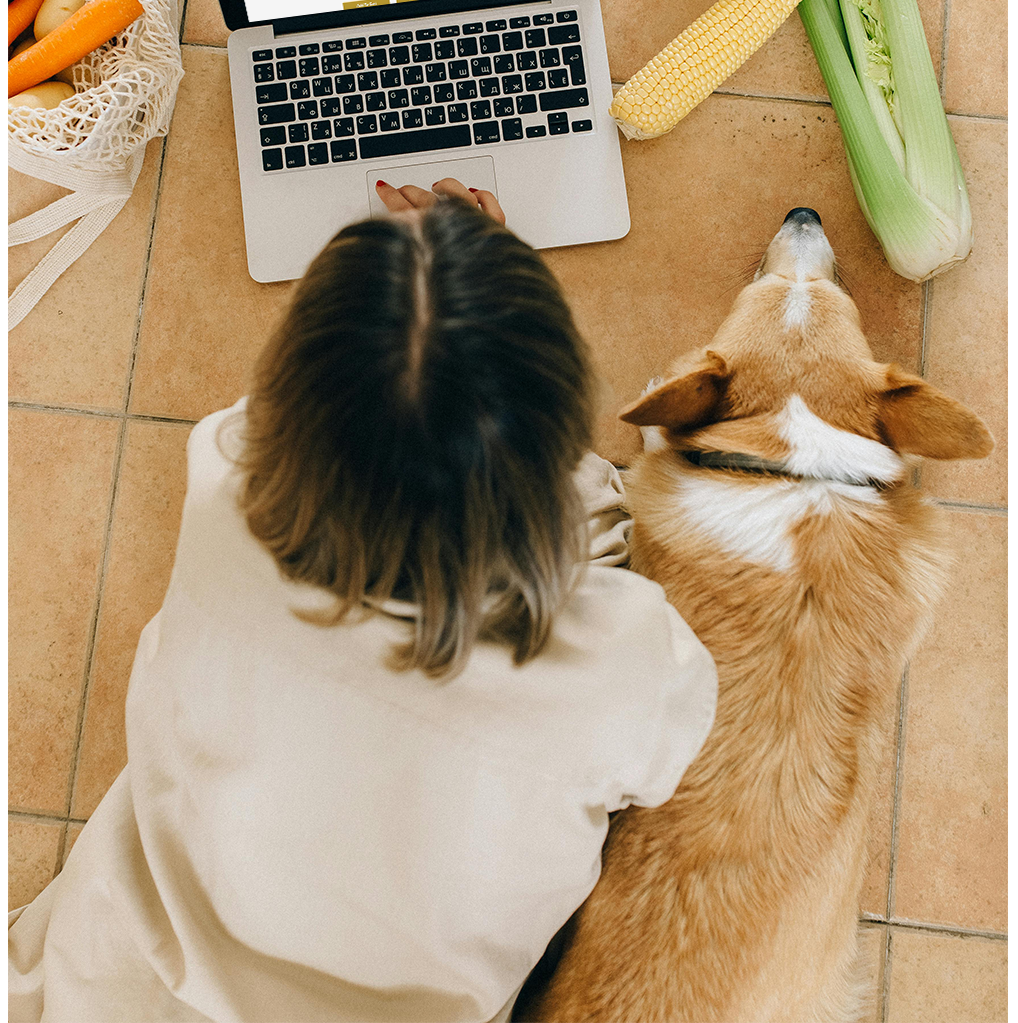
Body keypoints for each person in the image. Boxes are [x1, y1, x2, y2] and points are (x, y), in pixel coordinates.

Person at [9, 180, 717, 1023]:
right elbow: (664, 759)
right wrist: (474, 310)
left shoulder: (223, 486)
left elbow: (293, 423)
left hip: (117, 990)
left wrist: (420, 308)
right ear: (554, 433)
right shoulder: (625, 661)